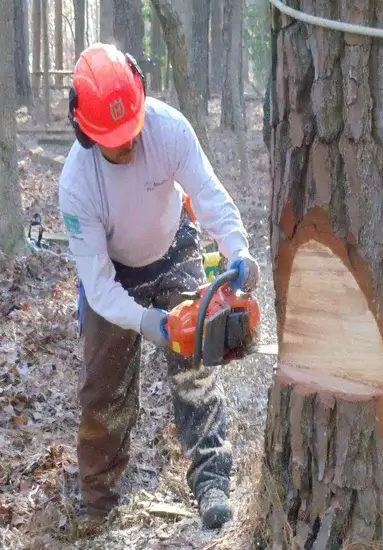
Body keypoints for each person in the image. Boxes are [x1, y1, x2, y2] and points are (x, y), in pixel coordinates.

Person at [58, 43, 260, 530]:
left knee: (195, 367)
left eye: (130, 132)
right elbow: (99, 285)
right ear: (86, 132)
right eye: (115, 140)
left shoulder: (167, 128)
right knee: (103, 391)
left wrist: (238, 251)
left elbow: (208, 195)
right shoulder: (77, 184)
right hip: (116, 272)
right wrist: (151, 323)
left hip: (173, 249)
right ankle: (98, 503)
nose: (127, 145)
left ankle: (212, 478)